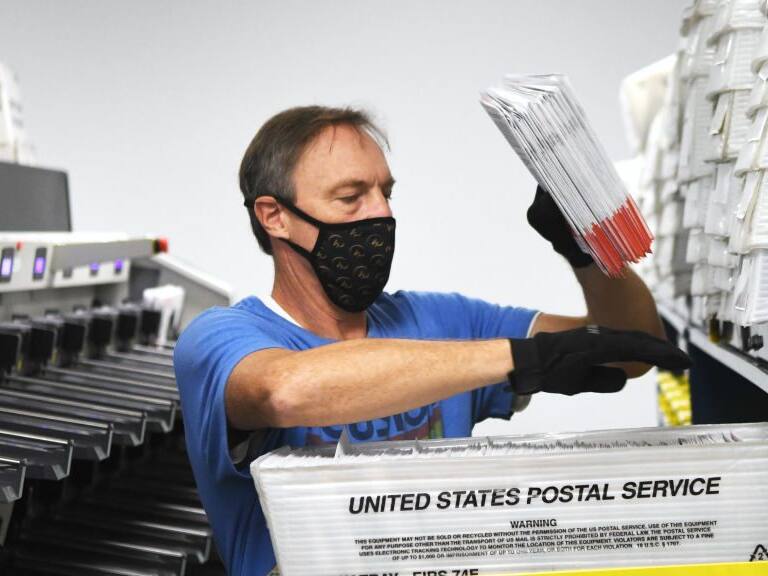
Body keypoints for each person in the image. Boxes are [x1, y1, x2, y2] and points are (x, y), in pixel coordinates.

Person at [173, 105, 690, 576]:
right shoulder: (220, 337)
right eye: (352, 198)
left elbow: (631, 349)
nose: (381, 214)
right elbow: (284, 391)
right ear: (274, 216)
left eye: (386, 192)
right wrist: (518, 357)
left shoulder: (440, 319)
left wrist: (585, 251)